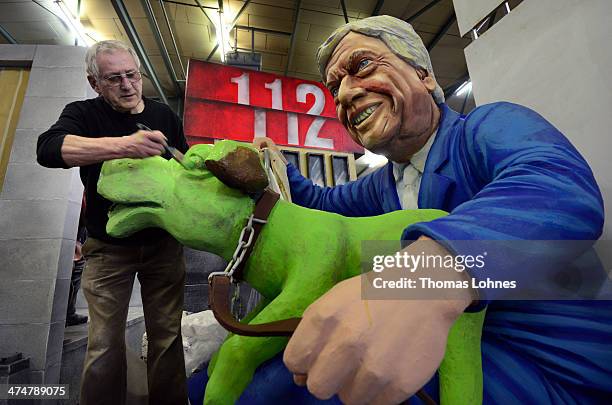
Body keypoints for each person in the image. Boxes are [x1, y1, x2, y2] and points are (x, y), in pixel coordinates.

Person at [254, 16, 610, 404]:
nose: (343, 96)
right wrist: (276, 165)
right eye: (335, 87)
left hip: (553, 364)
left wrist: (430, 275)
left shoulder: (487, 127)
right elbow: (324, 204)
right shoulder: (382, 184)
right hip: (458, 358)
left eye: (360, 67)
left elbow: (558, 186)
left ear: (423, 74)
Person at [37, 40, 189, 405]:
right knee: (104, 343)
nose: (127, 85)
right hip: (108, 250)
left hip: (163, 246)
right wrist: (123, 146)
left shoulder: (164, 115)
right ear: (95, 83)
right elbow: (48, 148)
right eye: (114, 78)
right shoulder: (83, 114)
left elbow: (184, 163)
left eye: (132, 75)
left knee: (167, 338)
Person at [65, 195, 88, 327]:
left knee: (76, 270)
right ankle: (67, 313)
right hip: (72, 222)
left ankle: (69, 312)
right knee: (72, 269)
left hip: (79, 225)